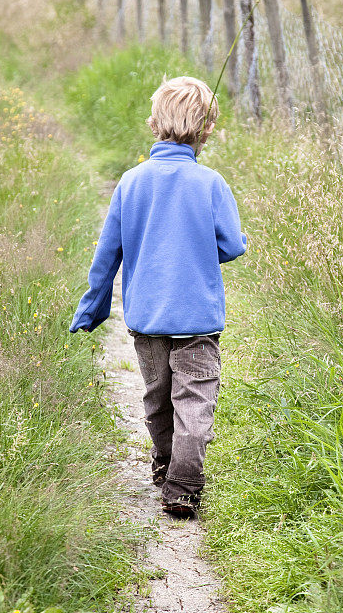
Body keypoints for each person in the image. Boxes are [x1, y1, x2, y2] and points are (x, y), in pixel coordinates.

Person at [69, 75, 247, 519]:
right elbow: (229, 244)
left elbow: (107, 253)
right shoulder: (210, 183)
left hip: (147, 318)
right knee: (196, 400)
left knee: (158, 397)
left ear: (154, 124)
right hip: (198, 320)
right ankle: (183, 486)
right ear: (206, 131)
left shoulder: (131, 182)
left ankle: (167, 463)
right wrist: (221, 245)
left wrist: (93, 307)